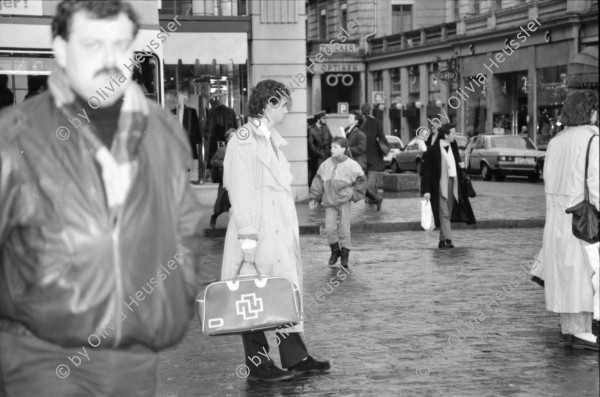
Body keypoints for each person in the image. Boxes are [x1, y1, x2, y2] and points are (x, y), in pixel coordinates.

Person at [0, 1, 203, 395]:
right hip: (40, 356)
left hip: (132, 354)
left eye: (121, 45)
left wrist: (173, 299)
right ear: (60, 48)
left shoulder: (161, 128)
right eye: (93, 44)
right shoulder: (15, 135)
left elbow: (185, 224)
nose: (110, 59)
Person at [222, 79, 330, 382]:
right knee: (253, 297)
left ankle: (295, 357)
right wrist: (247, 240)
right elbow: (240, 191)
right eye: (284, 104)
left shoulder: (271, 139)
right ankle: (258, 365)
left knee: (282, 294)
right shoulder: (244, 140)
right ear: (268, 103)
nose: (287, 111)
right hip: (257, 234)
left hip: (277, 235)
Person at [537, 90, 599, 351]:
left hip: (558, 217)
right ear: (592, 111)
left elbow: (548, 181)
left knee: (565, 275)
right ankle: (582, 331)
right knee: (584, 275)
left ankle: (571, 329)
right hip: (582, 219)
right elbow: (596, 184)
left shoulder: (556, 141)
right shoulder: (593, 139)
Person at [309, 137, 366, 268]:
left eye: (335, 147)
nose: (332, 149)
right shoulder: (325, 164)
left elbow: (362, 180)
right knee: (329, 229)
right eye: (331, 147)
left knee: (344, 230)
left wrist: (354, 194)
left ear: (343, 149)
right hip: (329, 201)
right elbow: (318, 181)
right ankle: (335, 251)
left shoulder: (352, 165)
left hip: (344, 202)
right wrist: (314, 198)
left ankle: (345, 255)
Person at [420, 123, 476, 248]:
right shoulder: (433, 150)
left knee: (448, 213)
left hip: (453, 183)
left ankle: (441, 241)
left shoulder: (453, 146)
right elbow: (427, 172)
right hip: (440, 185)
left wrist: (461, 166)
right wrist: (426, 191)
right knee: (444, 212)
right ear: (445, 135)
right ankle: (448, 240)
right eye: (453, 133)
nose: (455, 135)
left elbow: (456, 162)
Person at [345, 110, 380, 211]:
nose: (348, 119)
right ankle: (376, 198)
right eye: (348, 117)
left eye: (351, 118)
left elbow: (361, 148)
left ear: (356, 121)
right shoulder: (347, 130)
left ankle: (376, 198)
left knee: (359, 186)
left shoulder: (360, 134)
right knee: (355, 185)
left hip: (358, 162)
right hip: (349, 162)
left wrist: (348, 149)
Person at [360, 103, 388, 209]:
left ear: (361, 111)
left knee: (364, 176)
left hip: (362, 153)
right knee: (372, 176)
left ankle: (369, 198)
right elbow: (382, 137)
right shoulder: (376, 122)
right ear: (370, 110)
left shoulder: (359, 122)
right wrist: (385, 147)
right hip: (374, 153)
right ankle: (371, 198)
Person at [209, 128, 234, 229]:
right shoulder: (222, 150)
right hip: (226, 180)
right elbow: (213, 161)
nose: (234, 138)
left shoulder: (240, 149)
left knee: (236, 203)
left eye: (236, 136)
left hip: (237, 179)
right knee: (222, 202)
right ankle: (214, 217)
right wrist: (225, 163)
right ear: (227, 138)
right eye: (231, 136)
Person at [308, 110, 332, 185]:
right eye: (323, 118)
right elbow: (311, 145)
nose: (325, 120)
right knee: (317, 176)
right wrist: (320, 154)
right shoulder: (311, 130)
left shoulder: (326, 128)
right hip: (317, 158)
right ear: (318, 120)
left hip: (327, 155)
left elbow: (331, 139)